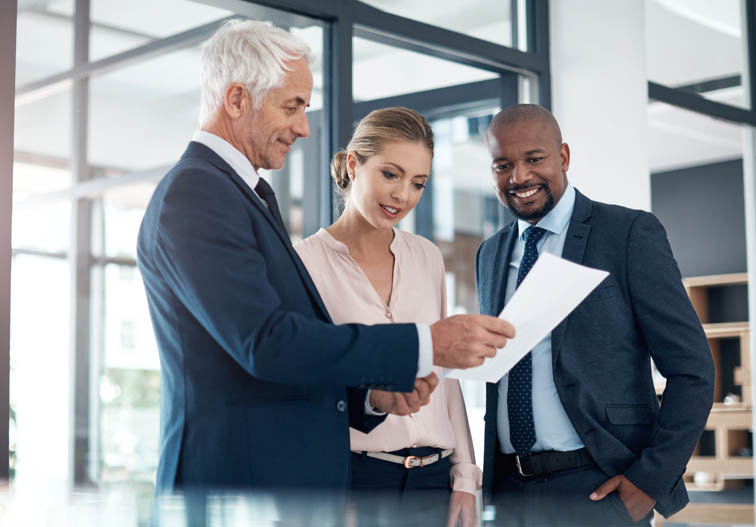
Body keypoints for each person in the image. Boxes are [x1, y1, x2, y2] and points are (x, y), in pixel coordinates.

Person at [136, 19, 514, 496]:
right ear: (236, 100)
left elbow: (286, 348)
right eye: (291, 106)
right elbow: (265, 343)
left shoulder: (243, 193)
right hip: (231, 485)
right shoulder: (195, 194)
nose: (304, 127)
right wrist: (427, 344)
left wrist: (371, 396)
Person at [476, 104, 714, 526]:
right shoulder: (490, 254)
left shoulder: (625, 234)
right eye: (503, 165)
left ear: (563, 157)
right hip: (509, 493)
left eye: (534, 159)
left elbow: (692, 369)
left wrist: (649, 481)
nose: (519, 177)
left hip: (599, 484)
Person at [295, 107, 480, 527]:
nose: (403, 196)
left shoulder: (427, 257)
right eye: (391, 174)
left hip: (435, 480)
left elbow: (444, 372)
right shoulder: (303, 264)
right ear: (353, 164)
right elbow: (305, 386)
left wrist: (465, 477)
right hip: (356, 481)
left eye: (418, 183)